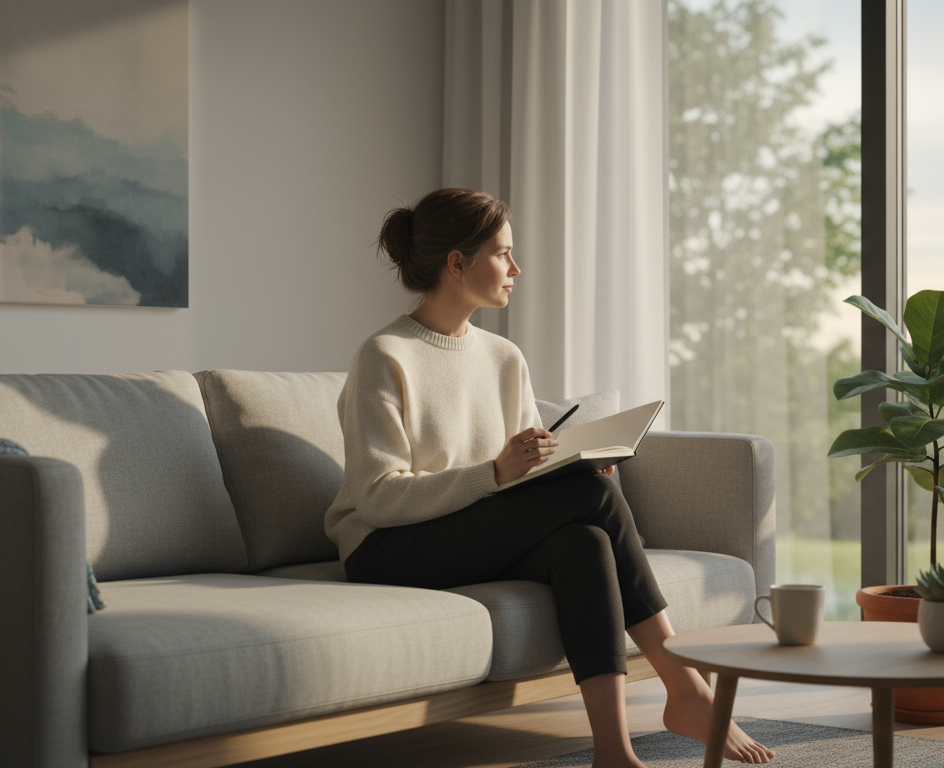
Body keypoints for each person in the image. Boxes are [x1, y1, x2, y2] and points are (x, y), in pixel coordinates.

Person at [324, 188, 774, 767]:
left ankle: (613, 751)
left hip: (467, 528)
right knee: (589, 499)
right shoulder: (384, 355)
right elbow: (379, 499)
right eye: (503, 253)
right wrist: (496, 472)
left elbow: (528, 470)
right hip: (385, 545)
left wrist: (567, 465)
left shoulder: (503, 357)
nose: (517, 268)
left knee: (583, 540)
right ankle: (687, 690)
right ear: (457, 263)